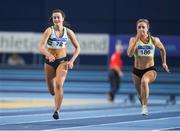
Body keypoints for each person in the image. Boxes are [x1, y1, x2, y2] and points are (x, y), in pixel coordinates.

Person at [39, 9, 80, 120]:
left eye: (58, 17)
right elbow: (41, 47)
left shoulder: (69, 32)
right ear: (52, 20)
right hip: (50, 62)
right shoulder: (49, 31)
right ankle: (55, 98)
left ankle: (57, 110)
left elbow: (78, 48)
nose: (56, 19)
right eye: (54, 17)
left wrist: (71, 61)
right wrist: (48, 54)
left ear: (62, 18)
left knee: (59, 85)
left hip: (63, 61)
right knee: (52, 91)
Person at [127, 19, 169, 115]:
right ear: (136, 29)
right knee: (140, 94)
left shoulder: (154, 40)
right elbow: (129, 54)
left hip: (150, 69)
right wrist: (136, 41)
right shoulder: (133, 40)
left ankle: (144, 108)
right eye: (139, 27)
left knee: (144, 81)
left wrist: (164, 63)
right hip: (136, 71)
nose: (141, 29)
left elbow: (162, 49)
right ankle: (143, 101)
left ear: (147, 28)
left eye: (143, 27)